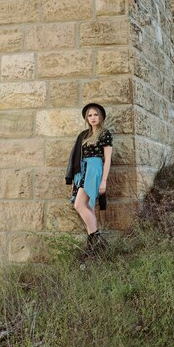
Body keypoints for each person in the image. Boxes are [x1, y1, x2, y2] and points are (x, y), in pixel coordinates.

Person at [65, 103, 113, 257]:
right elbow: (77, 157)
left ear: (101, 117)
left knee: (79, 205)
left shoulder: (105, 134)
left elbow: (108, 159)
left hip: (95, 168)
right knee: (88, 207)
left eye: (96, 115)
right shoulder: (84, 135)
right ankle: (94, 247)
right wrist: (75, 178)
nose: (93, 118)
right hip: (83, 170)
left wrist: (104, 181)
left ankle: (95, 239)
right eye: (90, 115)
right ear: (86, 118)